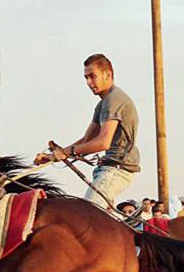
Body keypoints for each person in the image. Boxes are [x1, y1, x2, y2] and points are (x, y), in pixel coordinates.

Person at [39, 54, 140, 220]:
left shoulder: (114, 99)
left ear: (108, 74)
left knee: (86, 218)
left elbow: (103, 142)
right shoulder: (103, 103)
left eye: (93, 76)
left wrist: (65, 152)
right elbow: (87, 141)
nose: (88, 82)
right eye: (86, 77)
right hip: (110, 168)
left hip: (116, 170)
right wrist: (53, 156)